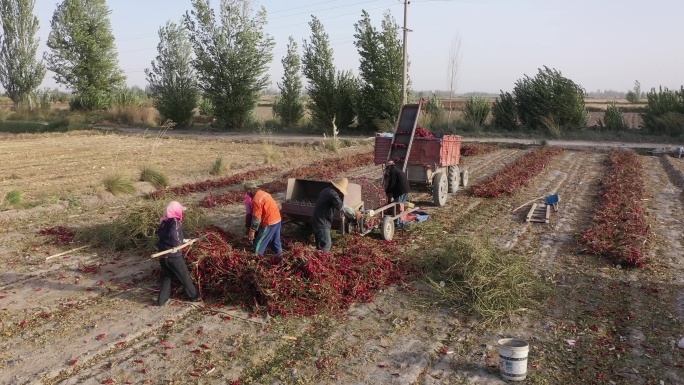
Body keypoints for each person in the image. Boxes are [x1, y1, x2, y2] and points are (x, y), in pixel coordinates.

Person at [156, 201, 201, 306]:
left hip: (163, 255)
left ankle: (161, 301)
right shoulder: (174, 221)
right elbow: (174, 235)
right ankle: (195, 296)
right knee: (184, 276)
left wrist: (184, 240)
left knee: (167, 277)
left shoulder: (163, 222)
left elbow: (167, 237)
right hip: (173, 256)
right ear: (176, 211)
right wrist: (177, 245)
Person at [311, 177, 360, 253]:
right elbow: (341, 207)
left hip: (316, 220)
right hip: (322, 222)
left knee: (320, 245)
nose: (341, 193)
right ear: (338, 188)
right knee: (327, 244)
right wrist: (354, 213)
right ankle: (322, 261)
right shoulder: (332, 194)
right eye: (341, 191)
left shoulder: (326, 190)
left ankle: (317, 258)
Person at [245, 182, 283, 258]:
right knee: (275, 240)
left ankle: (256, 258)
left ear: (251, 189)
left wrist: (252, 230)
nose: (247, 193)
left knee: (259, 241)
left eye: (247, 191)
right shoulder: (263, 193)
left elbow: (256, 218)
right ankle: (280, 256)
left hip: (269, 222)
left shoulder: (256, 200)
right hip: (277, 219)